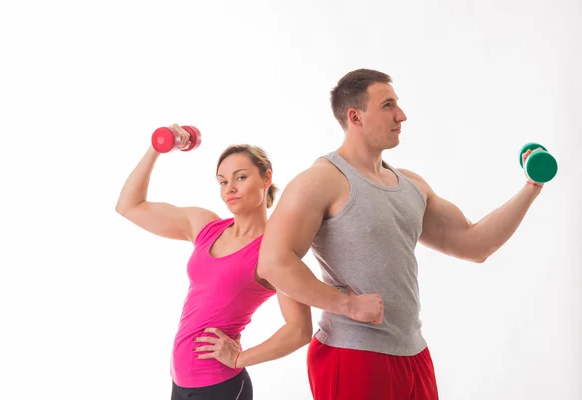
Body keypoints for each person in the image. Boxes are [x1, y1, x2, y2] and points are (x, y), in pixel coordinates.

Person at [257, 69, 547, 400]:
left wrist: (532, 186)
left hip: (413, 352)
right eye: (388, 105)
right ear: (356, 117)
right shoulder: (321, 180)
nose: (401, 115)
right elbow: (273, 262)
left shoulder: (411, 184)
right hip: (353, 354)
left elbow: (475, 244)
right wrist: (348, 305)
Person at [115, 124, 315, 400]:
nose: (230, 188)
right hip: (180, 382)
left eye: (241, 177)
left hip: (220, 387)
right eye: (222, 181)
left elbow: (299, 330)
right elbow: (128, 206)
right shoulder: (205, 226)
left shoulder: (273, 250)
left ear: (266, 177)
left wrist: (239, 358)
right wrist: (157, 149)